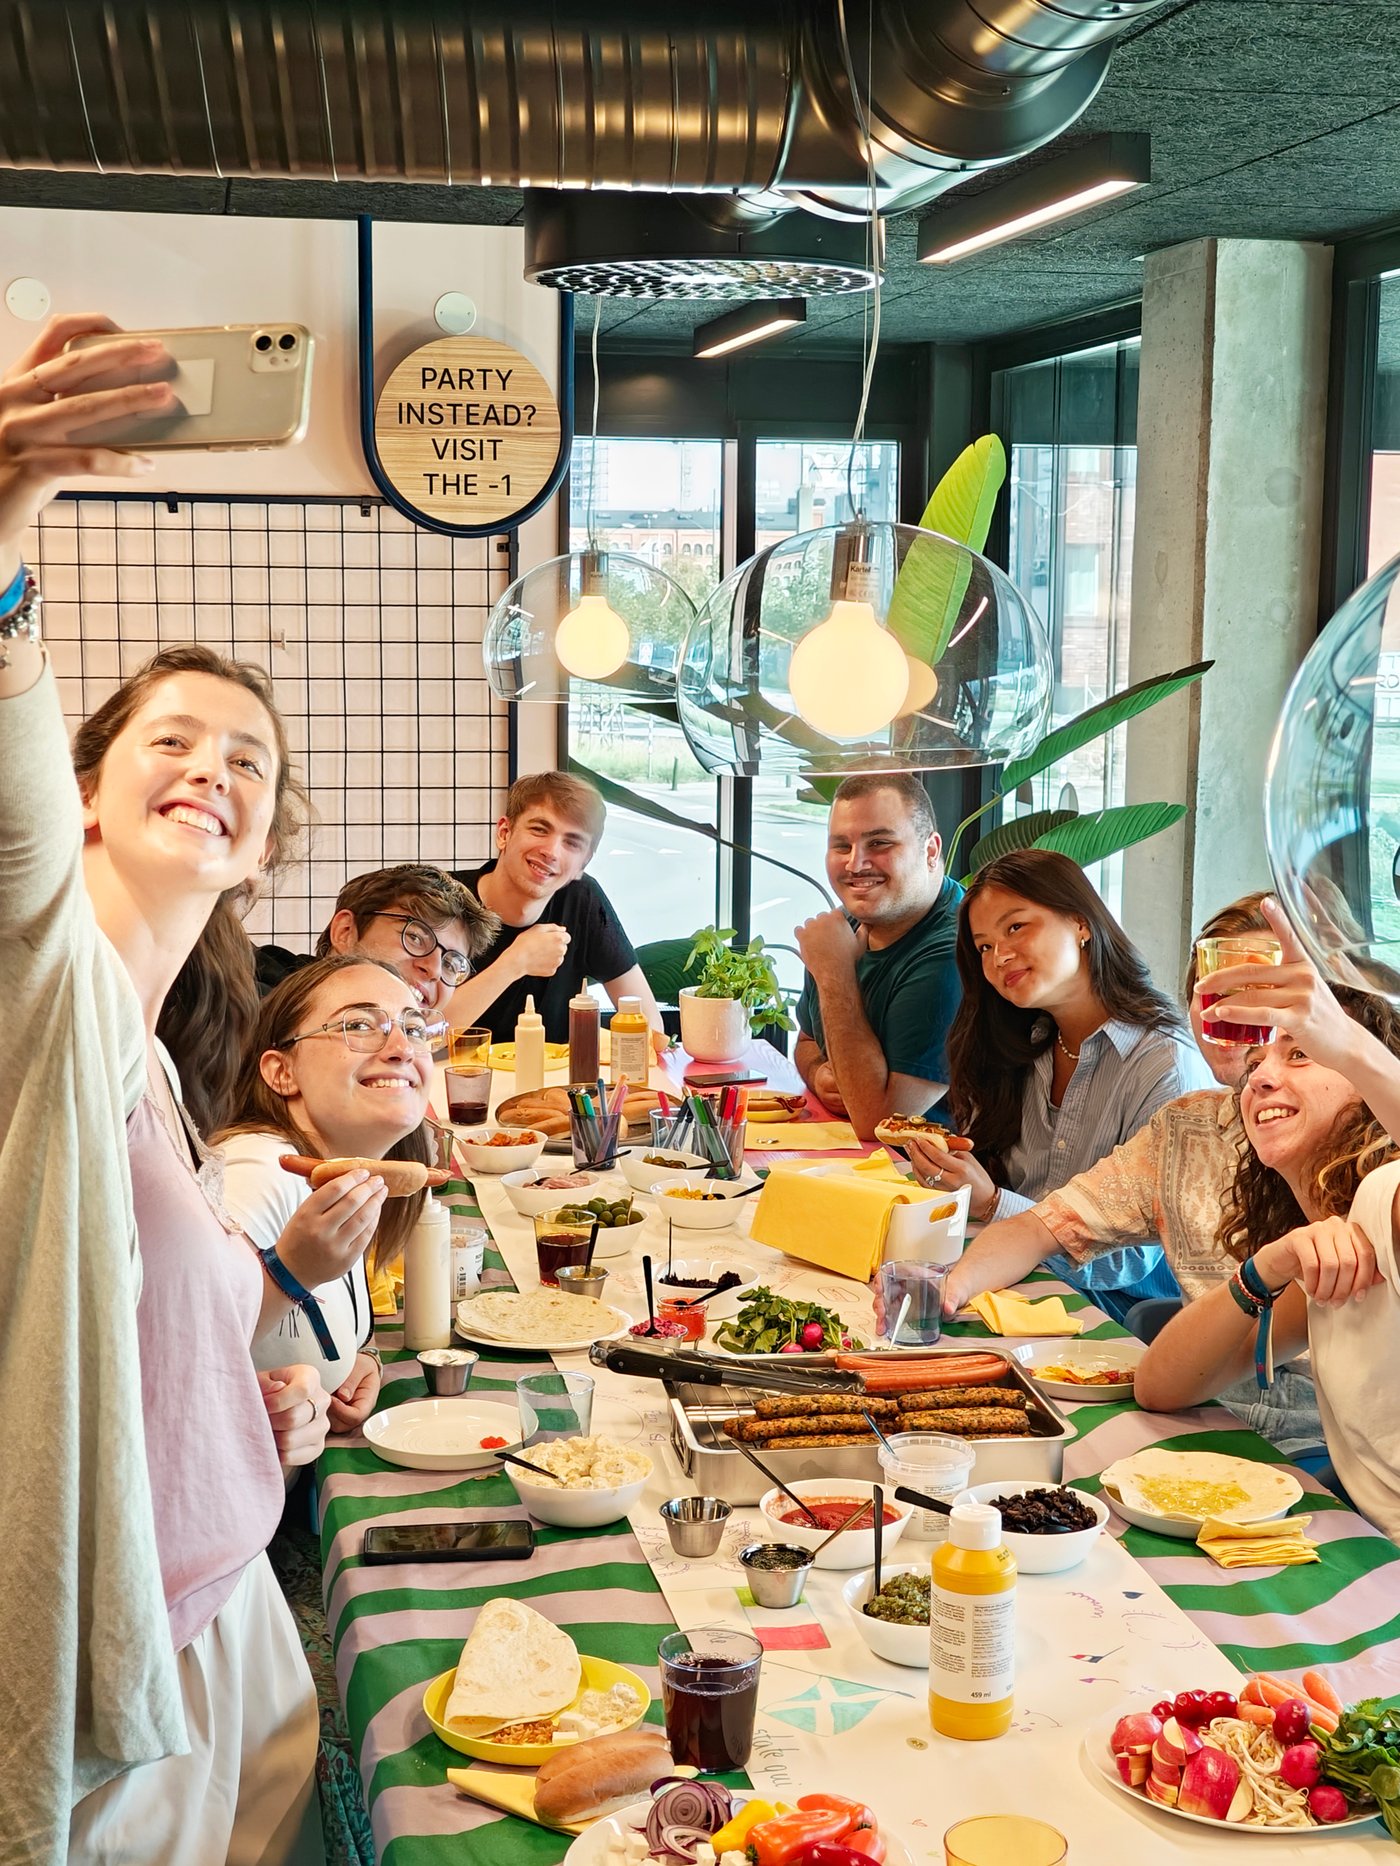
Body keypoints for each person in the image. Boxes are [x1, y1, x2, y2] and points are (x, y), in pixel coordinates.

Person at [0, 314, 330, 1862]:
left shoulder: (148, 1050)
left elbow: (150, 1302)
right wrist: (8, 514)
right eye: (173, 738)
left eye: (248, 759)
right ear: (81, 786)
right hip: (112, 1654)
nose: (213, 766)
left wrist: (271, 1365)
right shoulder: (45, 978)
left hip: (227, 1597)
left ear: (264, 842)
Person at [935, 894, 1332, 1450]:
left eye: (1260, 993)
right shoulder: (1188, 1127)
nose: (1225, 1012)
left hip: (1322, 1442)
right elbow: (1038, 1227)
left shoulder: (1365, 1141)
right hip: (1199, 1406)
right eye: (1211, 989)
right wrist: (949, 1289)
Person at [1132, 980, 1400, 1537]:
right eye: (1256, 1061)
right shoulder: (1338, 1251)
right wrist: (1266, 1268)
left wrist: (1353, 1048)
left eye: (1301, 1053)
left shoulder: (1385, 1197)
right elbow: (1160, 1387)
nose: (1260, 1077)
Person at [906, 848, 1212, 1325]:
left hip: (1116, 1319)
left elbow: (1133, 1261)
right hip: (1015, 1281)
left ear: (1080, 922)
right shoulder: (1023, 1043)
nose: (999, 956)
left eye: (1015, 927)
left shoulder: (1164, 1064)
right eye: (984, 946)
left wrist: (990, 1202)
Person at [215, 955, 438, 1441]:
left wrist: (356, 1354)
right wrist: (289, 1272)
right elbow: (175, 1352)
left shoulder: (334, 1169)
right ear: (281, 1072)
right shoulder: (257, 1172)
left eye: (415, 1028)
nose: (401, 1047)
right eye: (359, 1025)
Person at [793, 774, 962, 1141]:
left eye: (879, 843)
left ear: (930, 852)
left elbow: (877, 1122)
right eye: (841, 846)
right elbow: (807, 1043)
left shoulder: (953, 952)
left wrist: (835, 971)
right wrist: (820, 1072)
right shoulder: (851, 923)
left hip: (932, 1184)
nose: (855, 864)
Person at [448, 771, 666, 1048]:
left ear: (583, 864)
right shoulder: (443, 900)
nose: (551, 851)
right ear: (504, 833)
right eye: (540, 829)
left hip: (553, 1088)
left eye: (572, 843)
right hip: (455, 1085)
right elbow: (420, 1036)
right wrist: (515, 961)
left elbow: (650, 1027)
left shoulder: (582, 899)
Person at [254, 861, 499, 1016]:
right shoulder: (260, 992)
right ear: (345, 931)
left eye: (451, 964)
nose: (434, 969)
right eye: (415, 938)